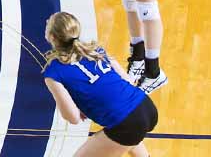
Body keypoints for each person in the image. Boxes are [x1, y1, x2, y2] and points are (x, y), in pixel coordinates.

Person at [43, 12, 158, 157]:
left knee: (127, 132)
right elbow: (128, 80)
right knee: (128, 135)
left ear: (52, 37)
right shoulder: (95, 50)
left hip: (128, 123)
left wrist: (80, 107)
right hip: (145, 106)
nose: (47, 22)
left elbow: (72, 118)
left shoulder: (53, 72)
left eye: (48, 23)